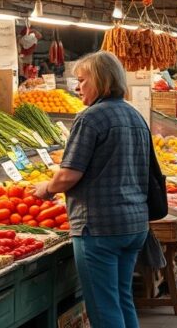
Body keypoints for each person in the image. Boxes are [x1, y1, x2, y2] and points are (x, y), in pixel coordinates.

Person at [33, 51, 149, 328]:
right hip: (134, 223)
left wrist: (47, 188)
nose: (77, 87)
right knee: (122, 298)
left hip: (100, 227)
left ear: (100, 81)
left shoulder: (91, 118)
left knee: (103, 305)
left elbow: (69, 174)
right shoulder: (135, 115)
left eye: (82, 81)